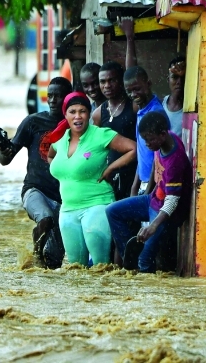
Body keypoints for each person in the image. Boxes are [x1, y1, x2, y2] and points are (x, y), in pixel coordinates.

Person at [46, 92, 137, 267]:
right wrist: (66, 173)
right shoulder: (60, 139)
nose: (78, 116)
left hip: (96, 205)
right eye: (72, 112)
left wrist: (111, 167)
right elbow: (50, 156)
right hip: (67, 211)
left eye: (83, 111)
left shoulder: (100, 134)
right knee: (75, 269)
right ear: (65, 115)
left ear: (89, 113)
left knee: (100, 267)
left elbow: (133, 148)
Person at [0, 77, 73, 268]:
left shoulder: (75, 125)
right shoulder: (33, 122)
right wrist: (2, 147)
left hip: (64, 198)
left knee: (54, 263)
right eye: (50, 95)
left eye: (58, 96)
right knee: (45, 219)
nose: (53, 100)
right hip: (35, 190)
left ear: (68, 98)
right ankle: (35, 255)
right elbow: (6, 159)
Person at [107, 111, 192, 273]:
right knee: (112, 211)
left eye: (150, 139)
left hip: (165, 213)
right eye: (145, 140)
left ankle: (145, 280)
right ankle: (130, 259)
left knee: (145, 260)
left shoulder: (175, 160)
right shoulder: (163, 140)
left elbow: (172, 201)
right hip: (152, 200)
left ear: (162, 134)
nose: (147, 144)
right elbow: (156, 161)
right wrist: (148, 191)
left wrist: (153, 226)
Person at [92, 62, 137, 202]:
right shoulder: (98, 114)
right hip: (111, 177)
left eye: (111, 80)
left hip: (135, 173)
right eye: (102, 81)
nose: (106, 85)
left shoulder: (134, 106)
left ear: (121, 80)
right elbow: (97, 148)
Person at [124, 66, 169, 196]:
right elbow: (142, 152)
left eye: (137, 89)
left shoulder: (155, 112)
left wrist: (148, 192)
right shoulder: (141, 111)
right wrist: (134, 187)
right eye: (129, 91)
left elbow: (159, 154)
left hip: (155, 185)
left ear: (148, 83)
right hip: (144, 184)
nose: (133, 94)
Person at [163, 56, 186, 138]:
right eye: (175, 77)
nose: (179, 82)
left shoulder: (192, 108)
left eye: (184, 78)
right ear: (168, 79)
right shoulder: (161, 105)